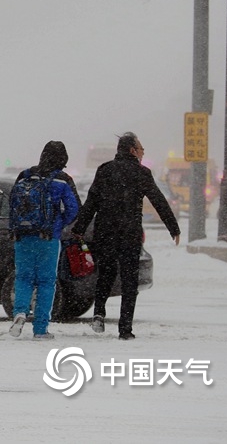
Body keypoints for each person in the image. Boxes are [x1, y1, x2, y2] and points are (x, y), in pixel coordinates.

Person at [71, 132, 180, 340]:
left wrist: (79, 228)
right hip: (129, 233)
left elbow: (91, 202)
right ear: (132, 150)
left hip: (105, 232)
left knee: (106, 273)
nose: (142, 152)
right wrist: (173, 227)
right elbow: (158, 201)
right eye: (141, 148)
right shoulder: (141, 173)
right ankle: (125, 329)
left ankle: (99, 313)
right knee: (130, 280)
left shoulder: (104, 170)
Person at [8, 141, 80, 340]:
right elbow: (74, 209)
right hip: (48, 238)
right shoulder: (62, 180)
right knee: (46, 282)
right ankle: (40, 329)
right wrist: (59, 224)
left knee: (23, 277)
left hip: (23, 236)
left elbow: (12, 203)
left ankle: (20, 313)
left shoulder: (25, 175)